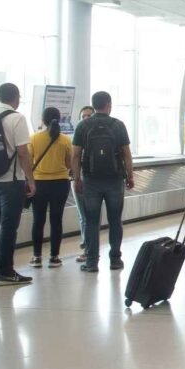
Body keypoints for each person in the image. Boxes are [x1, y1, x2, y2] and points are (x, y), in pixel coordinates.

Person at [71, 91, 134, 273]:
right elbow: (126, 154)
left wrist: (77, 178)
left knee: (91, 221)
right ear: (109, 105)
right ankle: (115, 259)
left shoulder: (83, 126)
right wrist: (130, 175)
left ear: (94, 104)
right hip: (114, 180)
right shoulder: (118, 125)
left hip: (91, 180)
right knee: (115, 220)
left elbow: (75, 155)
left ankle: (91, 262)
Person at [0, 83, 35, 286]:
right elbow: (22, 152)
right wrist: (30, 180)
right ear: (16, 97)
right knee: (8, 227)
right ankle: (6, 272)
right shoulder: (17, 118)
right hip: (11, 182)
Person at [28, 107, 73, 269]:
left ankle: (36, 257)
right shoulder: (65, 140)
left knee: (38, 220)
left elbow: (28, 162)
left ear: (42, 119)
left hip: (39, 184)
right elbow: (69, 164)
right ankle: (54, 257)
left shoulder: (34, 138)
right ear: (59, 119)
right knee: (56, 220)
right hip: (60, 183)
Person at [73, 105, 94, 263]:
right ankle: (88, 245)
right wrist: (76, 178)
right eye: (83, 116)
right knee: (83, 216)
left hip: (92, 180)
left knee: (88, 217)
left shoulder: (81, 136)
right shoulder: (77, 136)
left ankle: (89, 249)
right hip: (81, 179)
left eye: (88, 116)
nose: (86, 119)